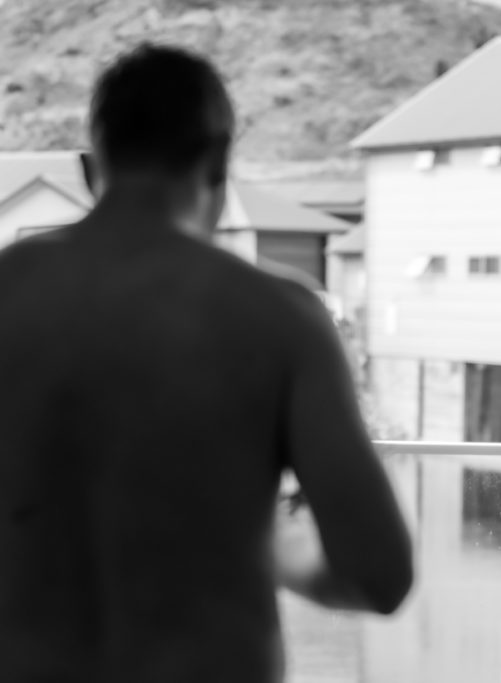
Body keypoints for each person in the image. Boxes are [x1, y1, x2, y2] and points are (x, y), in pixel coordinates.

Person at [0, 44, 412, 683]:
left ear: (89, 168)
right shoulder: (281, 318)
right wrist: (274, 546)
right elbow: (379, 574)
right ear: (219, 161)